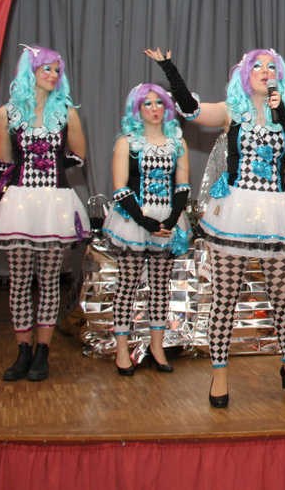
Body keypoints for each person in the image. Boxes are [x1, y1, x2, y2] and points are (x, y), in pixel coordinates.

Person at [146, 47, 285, 408]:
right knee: (225, 299)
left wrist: (282, 114)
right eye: (258, 66)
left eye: (272, 67)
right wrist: (169, 68)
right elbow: (191, 110)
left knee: (284, 299)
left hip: (275, 214)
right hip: (236, 213)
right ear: (245, 73)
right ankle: (220, 374)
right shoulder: (232, 110)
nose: (265, 71)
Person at [0, 44, 89, 382]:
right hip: (19, 204)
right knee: (18, 281)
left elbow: (80, 155)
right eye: (47, 69)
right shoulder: (6, 114)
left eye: (57, 70)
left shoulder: (67, 113)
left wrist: (50, 162)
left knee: (49, 279)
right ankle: (23, 351)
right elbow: (3, 161)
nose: (53, 75)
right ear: (30, 72)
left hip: (54, 203)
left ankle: (43, 351)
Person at [101, 83, 191, 376]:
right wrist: (145, 222)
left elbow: (183, 184)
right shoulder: (127, 143)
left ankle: (157, 347)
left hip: (166, 221)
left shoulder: (177, 142)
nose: (154, 109)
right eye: (147, 104)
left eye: (159, 103)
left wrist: (171, 219)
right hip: (133, 221)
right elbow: (120, 187)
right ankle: (122, 349)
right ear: (137, 109)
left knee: (160, 287)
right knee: (127, 285)